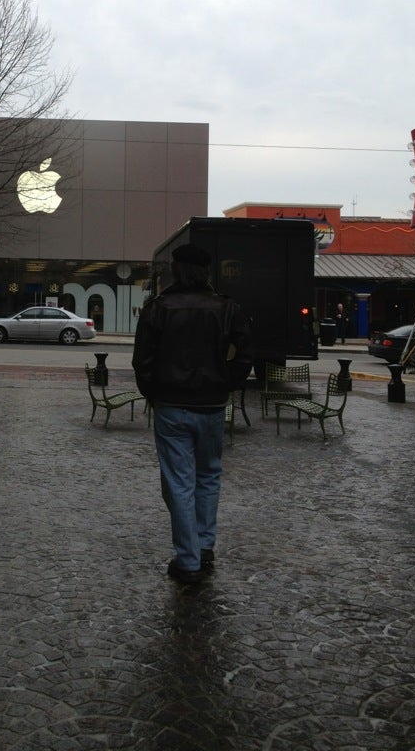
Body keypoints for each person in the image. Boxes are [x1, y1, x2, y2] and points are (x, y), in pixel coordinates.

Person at [132, 244, 252, 585]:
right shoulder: (227, 307)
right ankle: (204, 546)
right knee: (209, 476)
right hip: (212, 405)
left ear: (177, 270)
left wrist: (154, 393)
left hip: (171, 405)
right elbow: (246, 353)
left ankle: (188, 558)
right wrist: (227, 382)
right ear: (206, 272)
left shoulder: (159, 308)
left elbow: (142, 361)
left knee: (179, 481)